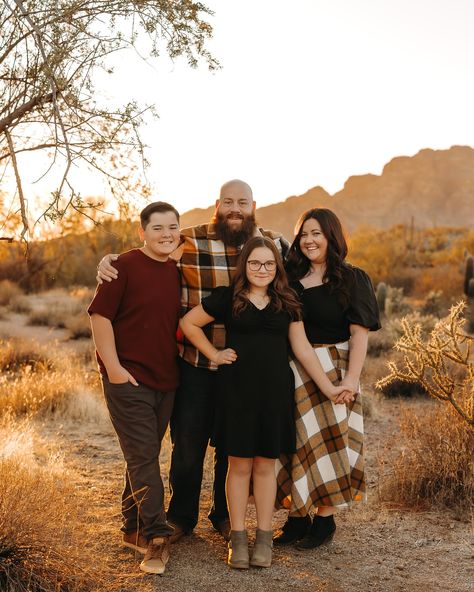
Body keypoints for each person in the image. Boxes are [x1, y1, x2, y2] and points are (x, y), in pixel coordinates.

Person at [96, 180, 290, 542]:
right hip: (194, 361)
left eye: (242, 203)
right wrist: (110, 262)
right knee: (188, 445)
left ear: (253, 206)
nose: (236, 208)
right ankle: (182, 516)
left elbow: (305, 275)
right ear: (217, 204)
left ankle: (223, 516)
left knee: (232, 446)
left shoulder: (273, 244)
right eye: (228, 202)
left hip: (243, 369)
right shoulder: (191, 240)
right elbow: (152, 244)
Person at [179, 236, 352, 569]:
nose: (262, 269)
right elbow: (188, 323)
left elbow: (302, 349)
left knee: (264, 466)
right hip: (236, 393)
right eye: (255, 263)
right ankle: (238, 540)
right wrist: (214, 353)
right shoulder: (229, 299)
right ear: (244, 265)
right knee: (239, 465)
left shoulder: (288, 301)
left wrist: (331, 389)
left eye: (269, 263)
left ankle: (263, 539)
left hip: (274, 395)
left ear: (277, 268)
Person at [274, 207, 381, 549]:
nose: (308, 240)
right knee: (298, 444)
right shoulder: (290, 282)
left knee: (332, 444)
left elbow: (359, 333)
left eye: (316, 233)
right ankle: (295, 519)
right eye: (303, 234)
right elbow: (297, 339)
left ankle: (324, 520)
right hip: (297, 370)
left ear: (331, 236)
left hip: (338, 367)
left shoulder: (352, 278)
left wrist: (350, 381)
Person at [88, 201, 181, 575]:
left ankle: (131, 527)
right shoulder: (122, 267)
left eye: (172, 227)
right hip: (127, 380)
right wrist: (113, 368)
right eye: (157, 228)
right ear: (142, 232)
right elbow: (99, 317)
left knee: (143, 455)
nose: (166, 234)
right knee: (145, 458)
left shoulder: (178, 269)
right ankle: (157, 538)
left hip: (166, 379)